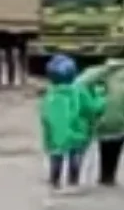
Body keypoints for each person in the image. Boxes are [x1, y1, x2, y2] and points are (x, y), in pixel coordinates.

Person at [40, 54, 105, 191]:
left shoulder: (50, 94)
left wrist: (47, 135)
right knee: (75, 160)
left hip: (55, 138)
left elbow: (45, 117)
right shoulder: (80, 91)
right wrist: (101, 98)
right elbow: (92, 109)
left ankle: (54, 183)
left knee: (56, 160)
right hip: (78, 135)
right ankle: (72, 183)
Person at [76, 59, 124, 185]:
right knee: (112, 149)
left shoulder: (95, 72)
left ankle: (104, 176)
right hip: (113, 121)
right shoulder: (100, 73)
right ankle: (108, 177)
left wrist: (104, 70)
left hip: (103, 120)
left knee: (108, 147)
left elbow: (79, 83)